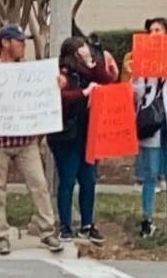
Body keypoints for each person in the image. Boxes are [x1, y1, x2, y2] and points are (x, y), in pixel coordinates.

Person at [0, 25, 63, 256]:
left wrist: (56, 87)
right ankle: (1, 235)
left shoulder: (28, 70)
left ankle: (47, 231)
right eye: (19, 41)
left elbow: (44, 97)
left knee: (39, 185)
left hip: (26, 141)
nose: (23, 45)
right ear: (6, 42)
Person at [49, 36, 114, 243]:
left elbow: (106, 79)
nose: (86, 50)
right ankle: (65, 225)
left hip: (88, 132)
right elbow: (62, 96)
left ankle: (88, 224)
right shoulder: (62, 72)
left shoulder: (88, 70)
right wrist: (84, 93)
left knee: (89, 180)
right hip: (66, 134)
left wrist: (91, 63)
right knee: (67, 179)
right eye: (82, 48)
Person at [134, 17, 167, 238]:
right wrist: (138, 76)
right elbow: (136, 94)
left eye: (158, 30)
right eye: (151, 30)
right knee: (151, 175)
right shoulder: (142, 63)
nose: (154, 33)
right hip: (152, 124)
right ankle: (147, 220)